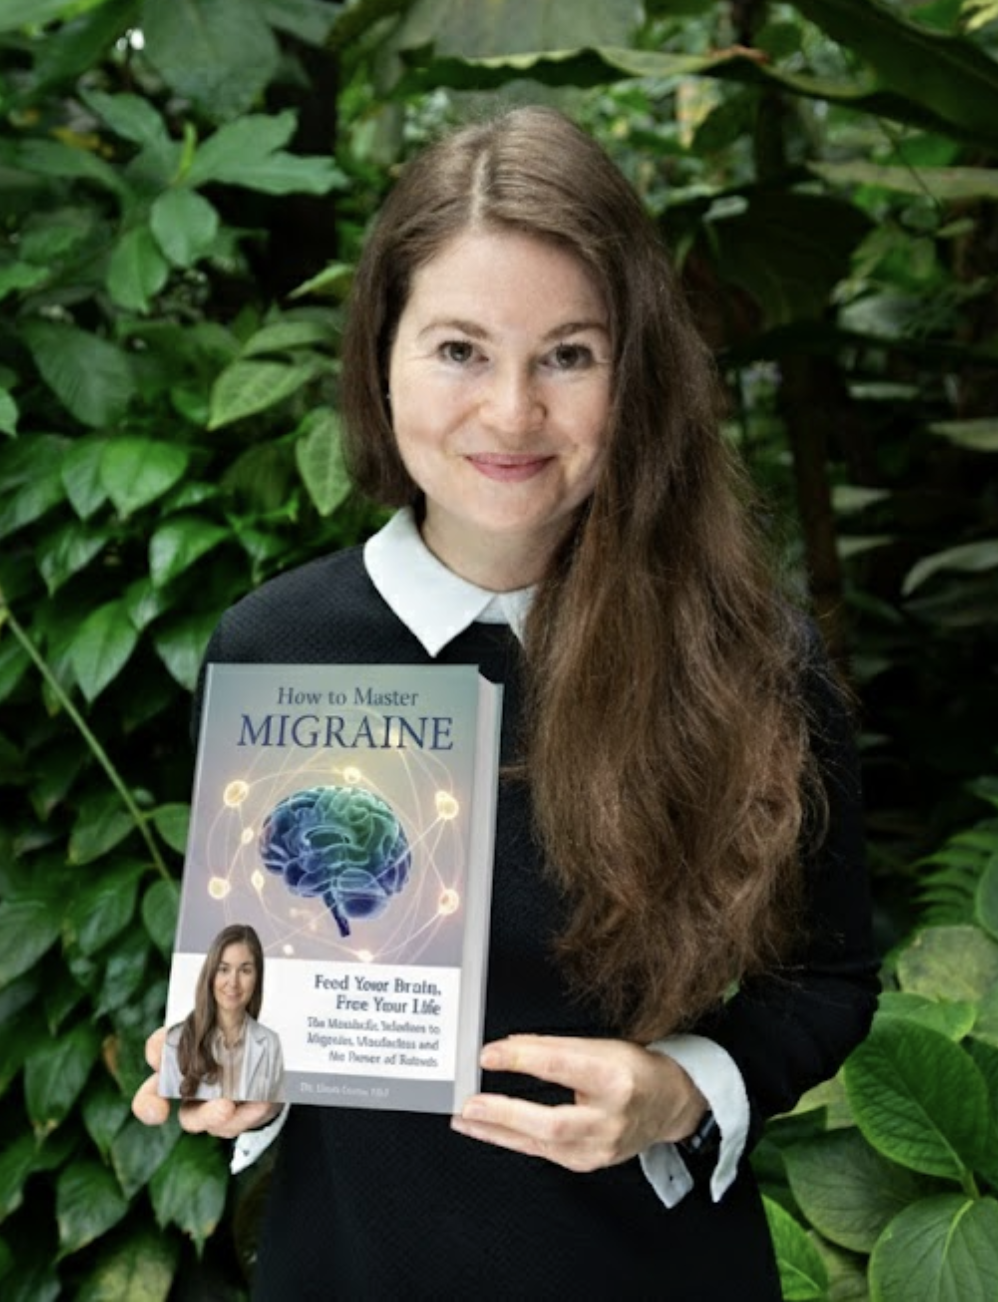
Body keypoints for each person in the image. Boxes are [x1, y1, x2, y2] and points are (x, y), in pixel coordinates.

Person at [133, 105, 879, 1298]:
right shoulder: (274, 649)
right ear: (380, 354)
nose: (511, 412)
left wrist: (686, 1086)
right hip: (351, 1271)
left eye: (567, 355)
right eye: (458, 350)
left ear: (634, 372)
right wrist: (236, 1076)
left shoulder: (745, 654)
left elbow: (830, 977)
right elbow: (270, 985)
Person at [160, 924, 284, 1103]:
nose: (233, 982)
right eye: (224, 969)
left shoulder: (271, 1043)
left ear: (257, 978)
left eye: (245, 970)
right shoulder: (175, 1040)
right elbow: (169, 1108)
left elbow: (275, 1111)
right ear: (211, 974)